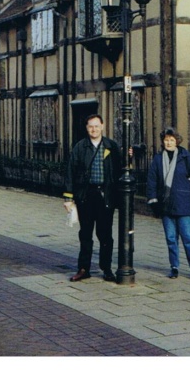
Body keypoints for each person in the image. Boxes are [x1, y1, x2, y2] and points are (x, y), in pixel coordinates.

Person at [63, 114, 123, 282]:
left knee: (105, 235)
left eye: (96, 126)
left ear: (102, 126)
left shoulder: (111, 146)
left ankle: (107, 268)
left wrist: (129, 156)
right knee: (85, 233)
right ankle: (83, 268)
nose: (94, 129)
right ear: (87, 128)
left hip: (105, 196)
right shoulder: (80, 147)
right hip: (86, 195)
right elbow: (70, 172)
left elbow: (121, 169)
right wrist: (68, 198)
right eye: (90, 126)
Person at [146, 127, 190, 280]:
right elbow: (151, 181)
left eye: (171, 140)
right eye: (166, 140)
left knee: (188, 238)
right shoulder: (158, 159)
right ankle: (174, 267)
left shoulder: (186, 158)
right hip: (166, 205)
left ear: (177, 141)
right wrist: (153, 201)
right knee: (171, 239)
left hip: (185, 204)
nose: (168, 143)